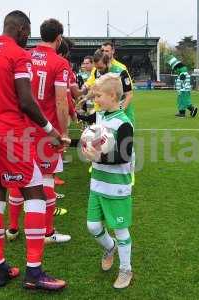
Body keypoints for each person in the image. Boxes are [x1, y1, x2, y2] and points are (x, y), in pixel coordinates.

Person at [0, 10, 67, 291]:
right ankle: (34, 272)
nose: (27, 37)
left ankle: (0, 268)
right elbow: (26, 102)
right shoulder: (18, 54)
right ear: (20, 28)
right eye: (26, 31)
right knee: (35, 192)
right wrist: (52, 132)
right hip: (10, 137)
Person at [6, 18, 71, 245]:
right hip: (46, 132)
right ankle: (47, 233)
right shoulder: (60, 63)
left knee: (18, 180)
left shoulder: (23, 55)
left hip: (21, 130)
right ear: (59, 38)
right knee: (47, 181)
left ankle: (13, 229)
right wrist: (62, 133)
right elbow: (62, 102)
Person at [81, 73, 134, 289]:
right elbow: (88, 126)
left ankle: (125, 270)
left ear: (112, 95)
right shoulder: (101, 117)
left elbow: (124, 155)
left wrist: (99, 157)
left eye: (99, 95)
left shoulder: (124, 123)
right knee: (93, 226)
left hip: (117, 187)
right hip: (97, 184)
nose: (96, 99)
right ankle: (109, 247)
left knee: (121, 230)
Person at [84, 42, 135, 124]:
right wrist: (85, 98)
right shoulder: (96, 71)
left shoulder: (121, 71)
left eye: (100, 67)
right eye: (97, 68)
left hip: (121, 115)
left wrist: (120, 110)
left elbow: (129, 94)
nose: (99, 70)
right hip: (105, 114)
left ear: (107, 62)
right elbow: (94, 90)